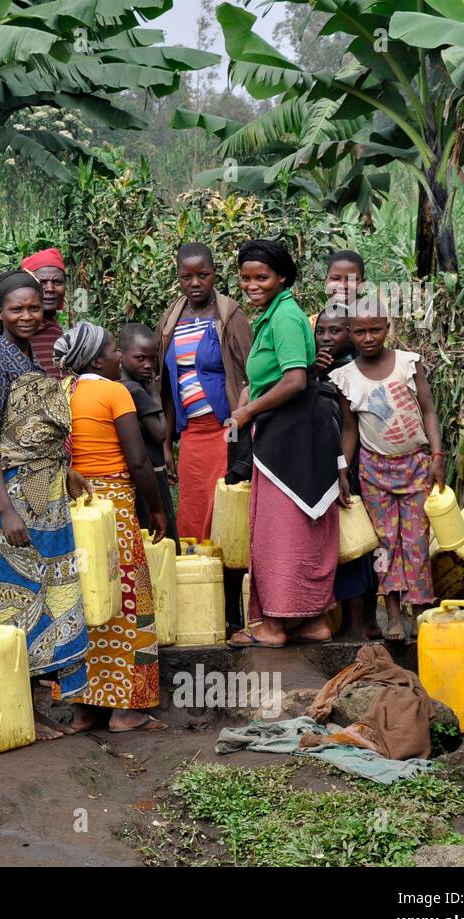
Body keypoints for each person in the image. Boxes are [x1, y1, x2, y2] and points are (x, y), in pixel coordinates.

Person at [0, 270, 91, 740]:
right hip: (10, 500)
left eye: (34, 307)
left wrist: (65, 470)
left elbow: (37, 434)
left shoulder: (28, 356)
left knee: (50, 599)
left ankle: (39, 703)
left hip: (44, 496)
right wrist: (6, 510)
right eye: (17, 308)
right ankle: (21, 712)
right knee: (14, 605)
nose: (27, 315)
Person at [227, 241, 343, 648]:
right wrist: (251, 392)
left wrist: (246, 411)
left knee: (281, 531)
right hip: (290, 434)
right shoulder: (274, 316)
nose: (252, 285)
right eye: (245, 277)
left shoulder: (286, 318)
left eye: (262, 277)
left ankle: (274, 627)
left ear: (282, 278)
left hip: (291, 437)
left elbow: (295, 380)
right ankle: (312, 622)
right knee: (302, 527)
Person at [56, 322, 169, 732]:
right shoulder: (114, 392)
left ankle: (84, 709)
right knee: (127, 603)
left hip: (71, 509)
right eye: (111, 350)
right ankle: (126, 709)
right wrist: (155, 509)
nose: (117, 357)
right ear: (96, 358)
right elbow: (138, 460)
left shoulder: (60, 394)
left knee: (80, 602)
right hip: (113, 507)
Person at [330, 309, 445, 642]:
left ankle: (420, 612)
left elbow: (428, 411)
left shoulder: (409, 364)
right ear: (350, 333)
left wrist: (436, 456)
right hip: (374, 471)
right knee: (385, 544)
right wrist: (341, 470)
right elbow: (350, 430)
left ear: (387, 328)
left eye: (376, 330)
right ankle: (393, 614)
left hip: (416, 466)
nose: (368, 338)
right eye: (360, 331)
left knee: (416, 543)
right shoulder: (346, 377)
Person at [157, 242, 253, 540]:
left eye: (204, 275)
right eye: (187, 277)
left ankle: (229, 577)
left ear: (214, 274)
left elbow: (252, 372)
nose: (196, 283)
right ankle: (197, 573)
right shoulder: (171, 318)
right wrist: (165, 444)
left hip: (226, 429)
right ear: (178, 277)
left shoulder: (229, 315)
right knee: (193, 505)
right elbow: (167, 386)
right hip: (191, 434)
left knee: (225, 502)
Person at [313, 305, 378, 641]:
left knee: (354, 544)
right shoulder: (317, 370)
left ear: (350, 334)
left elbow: (349, 425)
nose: (326, 337)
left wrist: (343, 470)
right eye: (321, 330)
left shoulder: (351, 371)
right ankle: (358, 621)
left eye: (335, 331)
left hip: (348, 469)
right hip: (328, 466)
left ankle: (359, 623)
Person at [117, 322, 177, 541]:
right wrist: (155, 395)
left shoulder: (116, 386)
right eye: (140, 358)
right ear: (121, 355)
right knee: (164, 536)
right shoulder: (136, 390)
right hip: (152, 472)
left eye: (152, 359)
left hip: (131, 477)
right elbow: (160, 432)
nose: (148, 365)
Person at [0, 247, 68, 377]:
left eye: (57, 282)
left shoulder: (55, 331)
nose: (50, 289)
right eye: (42, 282)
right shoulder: (13, 334)